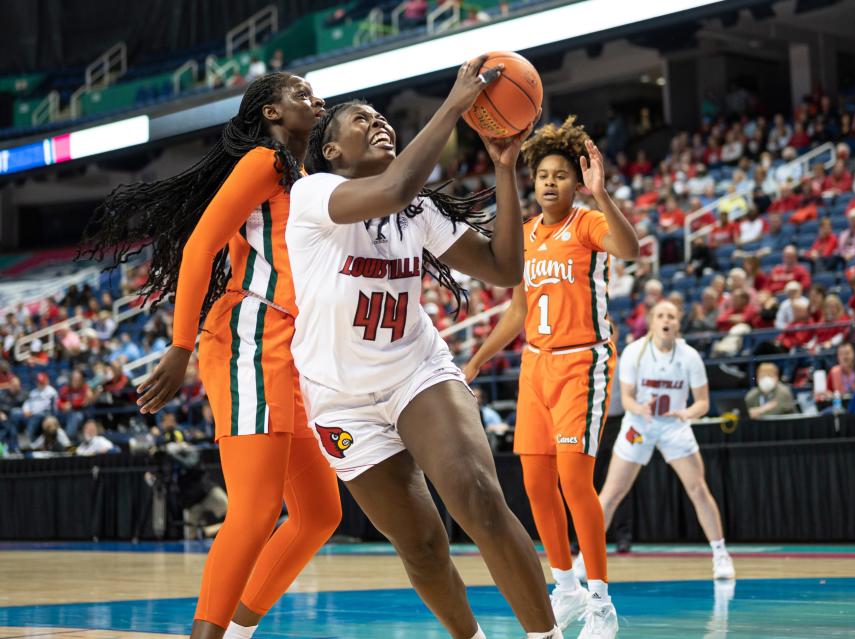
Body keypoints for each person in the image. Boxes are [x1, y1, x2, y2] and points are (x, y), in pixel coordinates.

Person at [287, 57, 565, 639]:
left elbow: (505, 267)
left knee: (478, 497)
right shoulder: (314, 194)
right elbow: (393, 186)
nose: (380, 122)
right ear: (331, 151)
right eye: (362, 120)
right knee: (420, 546)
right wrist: (456, 105)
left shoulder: (420, 208)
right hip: (340, 401)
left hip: (416, 370)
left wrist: (505, 166)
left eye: (382, 116)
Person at [79, 73, 341, 639]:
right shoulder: (265, 163)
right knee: (254, 510)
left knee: (320, 514)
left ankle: (238, 631)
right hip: (252, 336)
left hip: (293, 349)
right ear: (271, 112)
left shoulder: (306, 177)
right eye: (302, 94)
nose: (317, 101)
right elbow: (200, 245)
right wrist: (180, 344)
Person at [460, 116, 637, 635]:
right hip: (535, 364)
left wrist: (603, 195)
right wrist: (477, 359)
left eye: (561, 174)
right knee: (536, 484)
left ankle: (603, 602)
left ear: (577, 182)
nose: (550, 182)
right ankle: (567, 589)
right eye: (542, 174)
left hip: (584, 361)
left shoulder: (586, 222)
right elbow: (516, 311)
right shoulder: (526, 234)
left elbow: (630, 249)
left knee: (574, 481)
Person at [588, 302, 734, 582]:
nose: (666, 320)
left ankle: (720, 555)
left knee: (698, 488)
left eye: (671, 316)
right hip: (640, 424)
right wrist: (638, 408)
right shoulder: (634, 352)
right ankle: (587, 556)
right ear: (652, 322)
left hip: (674, 426)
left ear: (677, 323)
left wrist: (687, 412)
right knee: (611, 493)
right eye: (661, 315)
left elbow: (703, 402)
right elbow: (627, 398)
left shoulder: (689, 356)